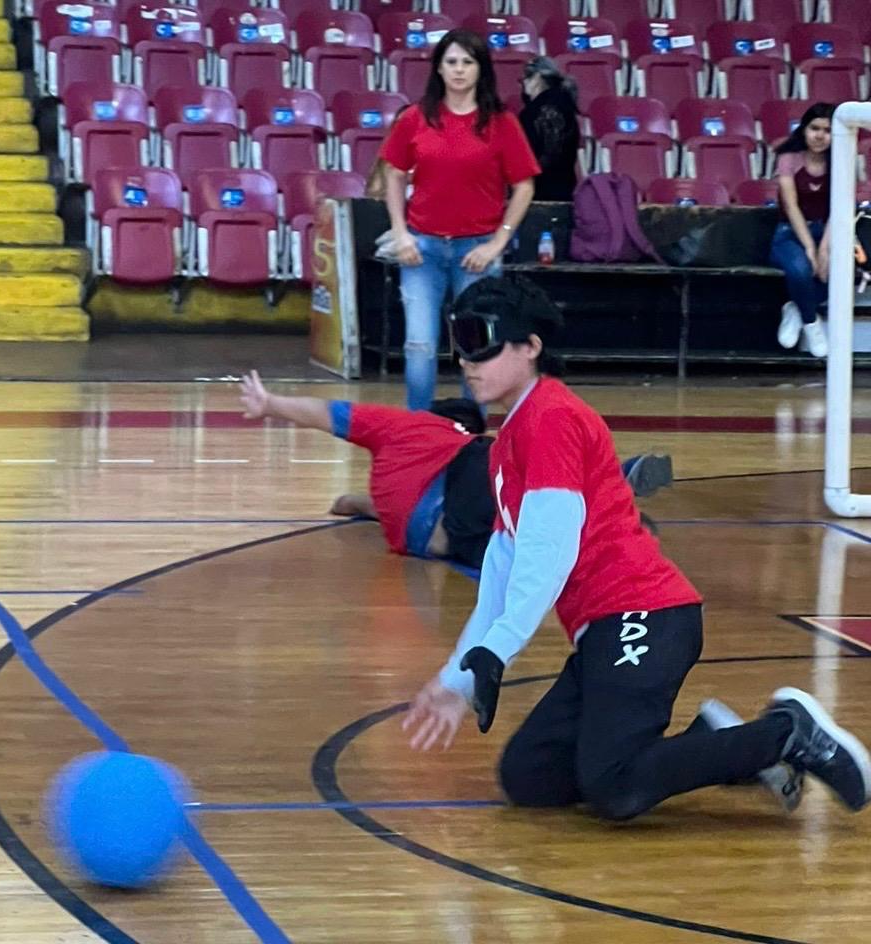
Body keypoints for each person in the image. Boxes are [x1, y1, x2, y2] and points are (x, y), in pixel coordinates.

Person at [402, 274, 871, 820]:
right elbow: (502, 571)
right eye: (458, 343)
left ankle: (785, 734)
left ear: (530, 347)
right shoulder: (509, 439)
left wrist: (500, 646)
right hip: (603, 631)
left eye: (480, 341)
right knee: (530, 775)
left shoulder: (552, 418)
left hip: (643, 617)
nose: (466, 360)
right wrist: (457, 681)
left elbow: (548, 555)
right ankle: (716, 743)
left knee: (614, 786)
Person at [235, 368, 673, 570]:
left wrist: (271, 404)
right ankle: (610, 484)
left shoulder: (395, 448)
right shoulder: (443, 434)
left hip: (434, 539)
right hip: (464, 494)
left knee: (531, 546)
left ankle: (603, 529)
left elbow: (325, 415)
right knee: (523, 462)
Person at [381, 29, 540, 411]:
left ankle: (473, 430)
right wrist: (400, 233)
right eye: (451, 61)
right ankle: (419, 429)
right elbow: (394, 174)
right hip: (422, 248)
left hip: (478, 251)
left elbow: (524, 186)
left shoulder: (502, 123)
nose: (459, 70)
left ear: (480, 69)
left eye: (468, 62)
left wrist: (498, 243)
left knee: (479, 346)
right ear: (438, 68)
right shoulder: (415, 118)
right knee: (419, 345)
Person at [771, 102, 835, 359]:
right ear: (804, 129)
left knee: (843, 271)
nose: (820, 136)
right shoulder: (789, 158)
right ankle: (810, 321)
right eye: (814, 128)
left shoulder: (841, 160)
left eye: (827, 131)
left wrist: (824, 249)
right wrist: (809, 246)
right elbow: (791, 205)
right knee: (800, 269)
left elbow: (839, 208)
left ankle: (795, 309)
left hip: (827, 230)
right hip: (790, 231)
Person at [517, 56, 581, 202]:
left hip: (537, 192)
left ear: (537, 77)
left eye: (526, 77)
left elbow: (544, 154)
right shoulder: (566, 105)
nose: (524, 82)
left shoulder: (536, 111)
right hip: (564, 190)